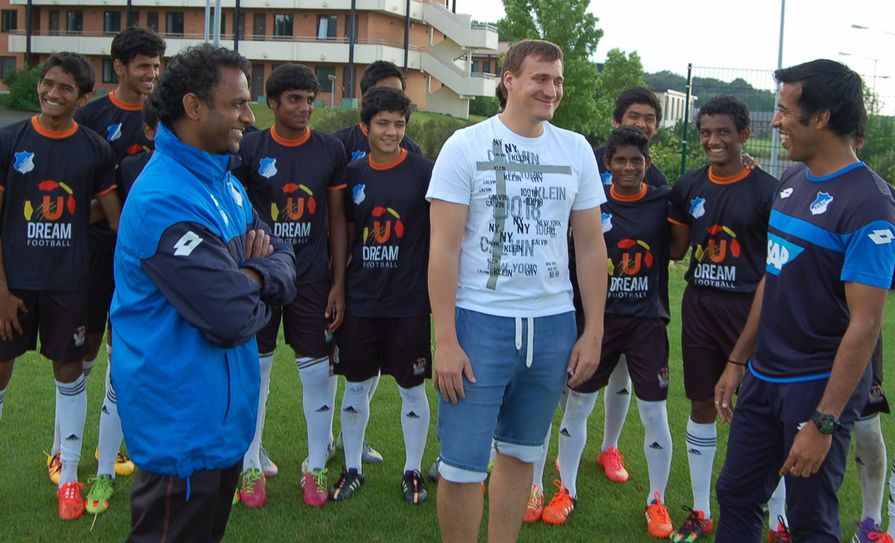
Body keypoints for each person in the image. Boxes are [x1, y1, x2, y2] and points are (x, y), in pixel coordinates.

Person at [110, 44, 296, 541]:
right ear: (194, 107)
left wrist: (249, 272)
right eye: (237, 104)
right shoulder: (165, 197)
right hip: (181, 429)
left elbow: (286, 258)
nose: (249, 116)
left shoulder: (225, 183)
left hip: (220, 423)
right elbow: (231, 315)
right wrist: (257, 276)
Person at [427, 39, 607, 542]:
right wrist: (445, 338)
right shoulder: (466, 146)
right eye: (540, 79)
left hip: (552, 324)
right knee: (462, 466)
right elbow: (442, 250)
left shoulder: (575, 150)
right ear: (509, 80)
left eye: (558, 80)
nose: (552, 90)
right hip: (480, 321)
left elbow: (591, 249)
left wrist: (593, 331)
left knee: (523, 453)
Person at [713, 59, 895, 543]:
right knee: (735, 495)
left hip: (815, 387)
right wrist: (737, 359)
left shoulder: (870, 204)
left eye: (785, 111)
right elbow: (773, 277)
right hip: (763, 378)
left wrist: (825, 420)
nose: (775, 122)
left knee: (810, 520)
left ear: (822, 118)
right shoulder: (792, 181)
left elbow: (866, 324)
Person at [534, 127, 675, 539]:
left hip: (647, 322)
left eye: (636, 160)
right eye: (620, 161)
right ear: (607, 165)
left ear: (647, 163)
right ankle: (568, 491)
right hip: (599, 320)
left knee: (654, 412)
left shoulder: (663, 201)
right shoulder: (589, 202)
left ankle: (656, 500)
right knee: (578, 406)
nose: (628, 168)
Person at [0, 52, 121, 520]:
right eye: (48, 84)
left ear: (84, 97)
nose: (52, 93)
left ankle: (69, 479)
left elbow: (113, 219)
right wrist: (2, 291)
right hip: (13, 286)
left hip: (69, 284)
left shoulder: (94, 149)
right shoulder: (11, 141)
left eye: (65, 88)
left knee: (70, 375)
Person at [233, 63, 348, 508]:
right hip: (260, 277)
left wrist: (338, 280)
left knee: (317, 372)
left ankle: (316, 465)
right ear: (272, 103)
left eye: (310, 99)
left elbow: (337, 218)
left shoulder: (330, 149)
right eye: (295, 99)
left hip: (313, 278)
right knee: (255, 373)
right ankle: (248, 466)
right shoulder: (249, 148)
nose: (304, 108)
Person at [666, 95, 779, 542]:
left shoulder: (769, 191)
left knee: (762, 410)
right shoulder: (688, 186)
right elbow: (674, 249)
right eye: (706, 133)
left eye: (724, 132)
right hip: (699, 305)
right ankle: (699, 509)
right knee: (700, 401)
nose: (714, 141)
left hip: (748, 308)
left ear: (745, 135)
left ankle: (780, 518)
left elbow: (778, 266)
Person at [72, 27, 166, 515]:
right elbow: (79, 190)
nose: (151, 75)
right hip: (100, 254)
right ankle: (65, 449)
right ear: (120, 68)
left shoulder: (169, 117)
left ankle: (121, 449)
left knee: (126, 355)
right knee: (82, 350)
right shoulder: (92, 118)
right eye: (142, 66)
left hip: (155, 266)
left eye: (156, 66)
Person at [331, 86, 434, 504]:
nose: (392, 132)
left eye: (399, 124)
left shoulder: (426, 172)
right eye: (383, 124)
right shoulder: (352, 175)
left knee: (412, 389)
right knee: (355, 387)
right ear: (365, 127)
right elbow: (345, 234)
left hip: (409, 301)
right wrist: (339, 285)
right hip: (361, 300)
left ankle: (412, 471)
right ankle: (351, 467)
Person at [332, 61, 422, 163]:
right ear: (366, 98)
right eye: (384, 93)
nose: (393, 99)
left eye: (398, 93)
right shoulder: (339, 144)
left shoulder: (412, 151)